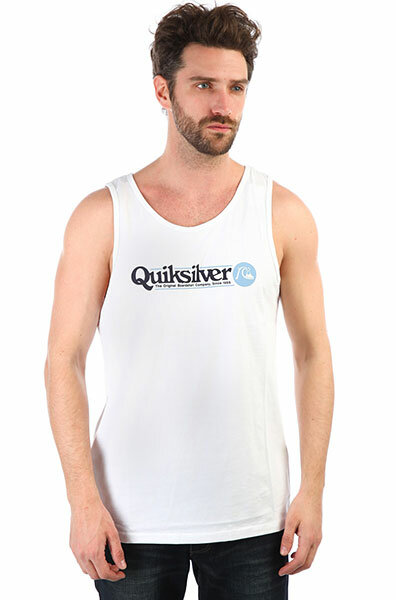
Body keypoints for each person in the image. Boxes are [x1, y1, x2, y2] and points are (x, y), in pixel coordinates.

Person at [44, 3, 334, 599]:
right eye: (203, 85)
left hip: (255, 520)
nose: (223, 104)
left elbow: (313, 355)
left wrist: (313, 489)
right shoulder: (103, 216)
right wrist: (81, 500)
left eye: (236, 87)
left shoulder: (282, 213)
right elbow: (63, 361)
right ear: (163, 90)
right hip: (129, 522)